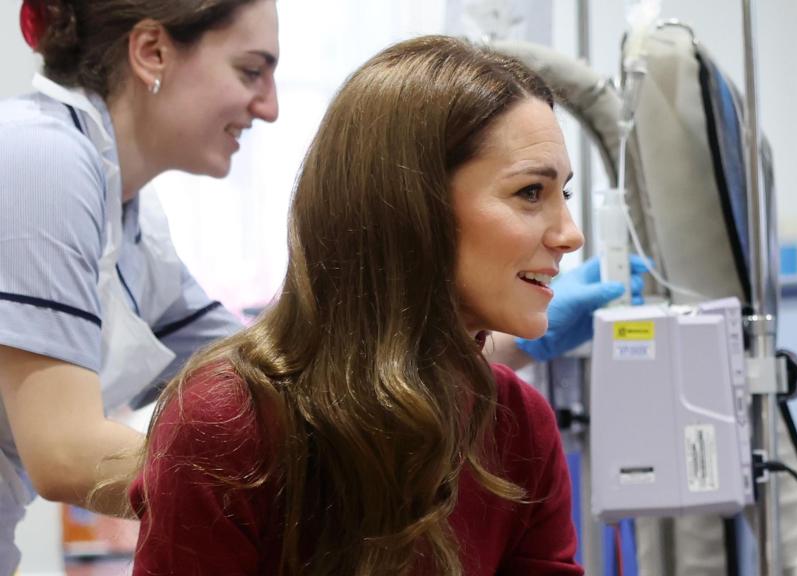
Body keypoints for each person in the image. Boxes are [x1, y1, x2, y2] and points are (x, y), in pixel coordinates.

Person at [0, 1, 643, 571]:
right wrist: (231, 480)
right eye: (251, 70)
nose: (272, 106)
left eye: (559, 193)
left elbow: (304, 369)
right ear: (152, 51)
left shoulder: (134, 215)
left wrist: (484, 360)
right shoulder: (42, 156)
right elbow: (64, 451)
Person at [130, 35, 592, 575]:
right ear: (412, 207)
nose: (570, 235)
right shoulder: (226, 424)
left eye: (565, 194)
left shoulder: (519, 427)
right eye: (531, 193)